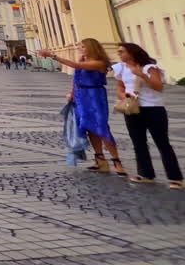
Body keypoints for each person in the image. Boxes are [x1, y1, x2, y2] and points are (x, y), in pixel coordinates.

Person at [40, 40, 127, 176]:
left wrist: (53, 56)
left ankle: (117, 161)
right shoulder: (83, 59)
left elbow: (76, 66)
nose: (80, 48)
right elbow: (76, 78)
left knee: (101, 128)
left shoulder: (99, 63)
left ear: (92, 48)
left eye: (83, 46)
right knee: (89, 128)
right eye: (80, 46)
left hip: (94, 95)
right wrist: (72, 93)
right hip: (81, 96)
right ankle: (100, 159)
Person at [113, 43, 184, 189]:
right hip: (132, 109)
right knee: (138, 142)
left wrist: (142, 75)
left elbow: (159, 87)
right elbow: (120, 86)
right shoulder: (121, 68)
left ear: (132, 53)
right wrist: (123, 95)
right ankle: (145, 174)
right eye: (118, 52)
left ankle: (175, 178)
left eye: (122, 51)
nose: (119, 54)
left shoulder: (149, 67)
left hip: (153, 108)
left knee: (162, 142)